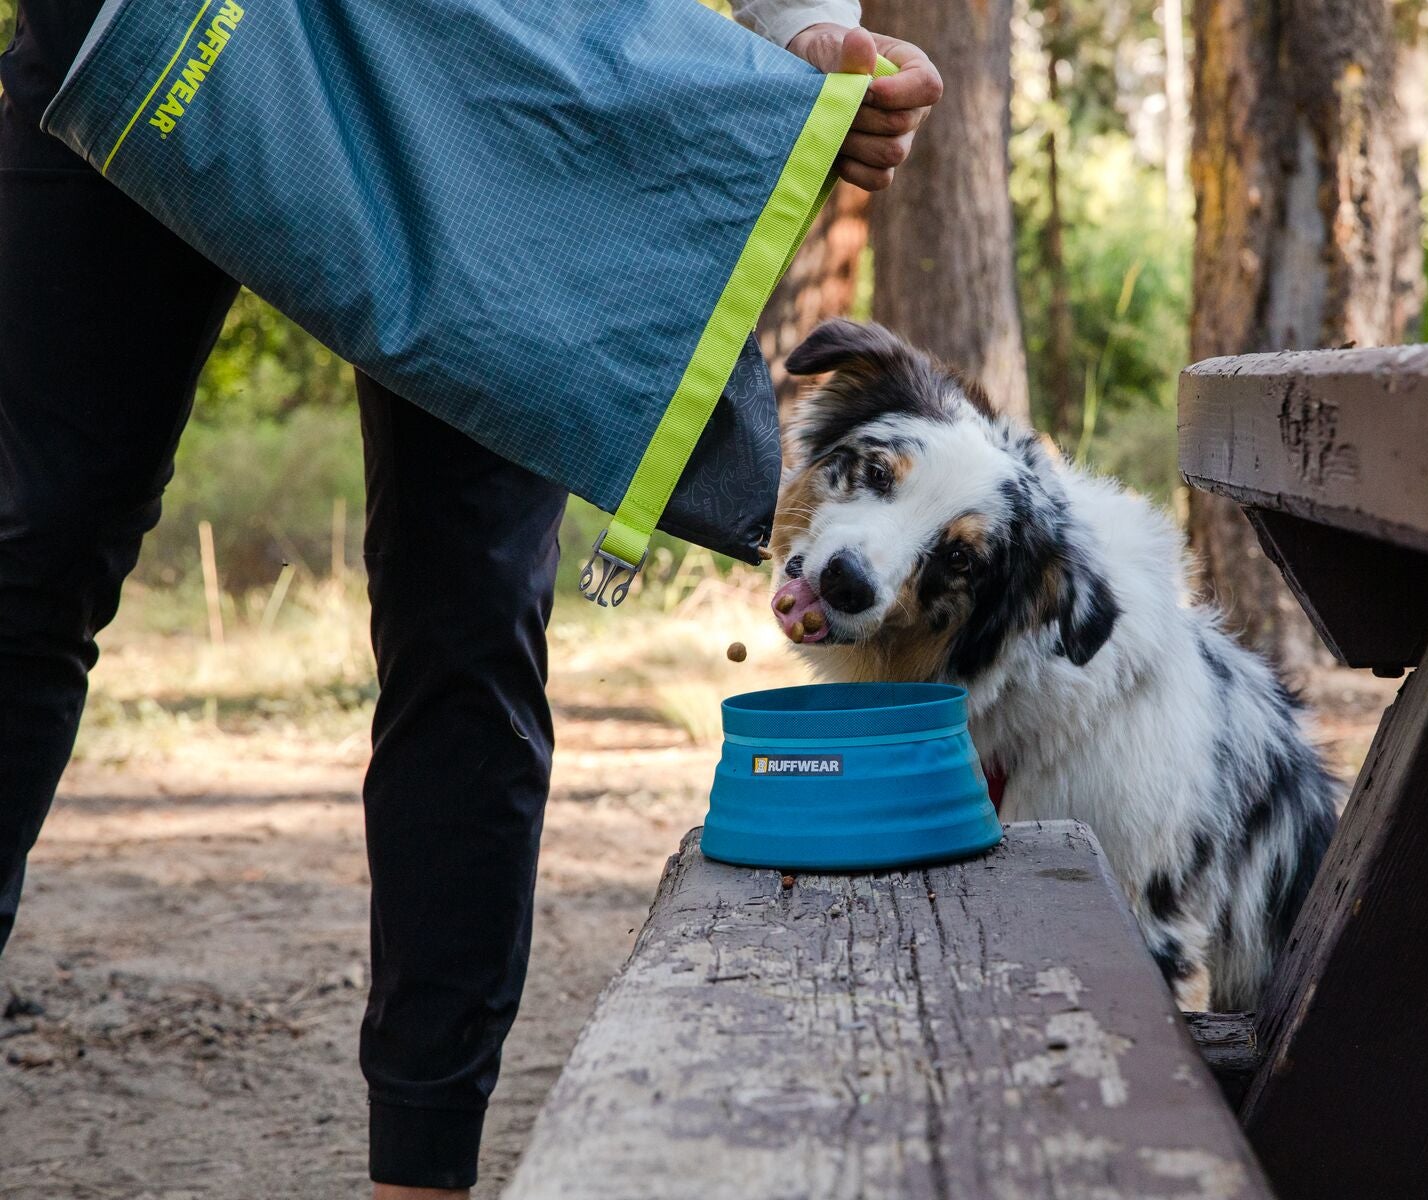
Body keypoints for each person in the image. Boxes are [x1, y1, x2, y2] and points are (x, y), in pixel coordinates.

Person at [0, 2, 940, 1195]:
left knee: (469, 616)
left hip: (498, 66)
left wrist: (803, 29)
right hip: (158, 21)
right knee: (30, 551)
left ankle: (422, 1173)